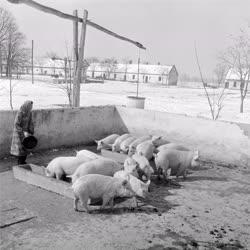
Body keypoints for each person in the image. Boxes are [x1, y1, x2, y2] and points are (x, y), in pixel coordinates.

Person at [10, 100, 34, 165]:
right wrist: (22, 132)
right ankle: (20, 163)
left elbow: (30, 122)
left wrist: (30, 131)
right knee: (20, 149)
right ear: (26, 105)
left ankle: (23, 162)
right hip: (19, 133)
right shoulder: (20, 112)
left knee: (26, 147)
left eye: (31, 106)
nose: (31, 108)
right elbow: (16, 124)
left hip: (26, 133)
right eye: (30, 106)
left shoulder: (29, 113)